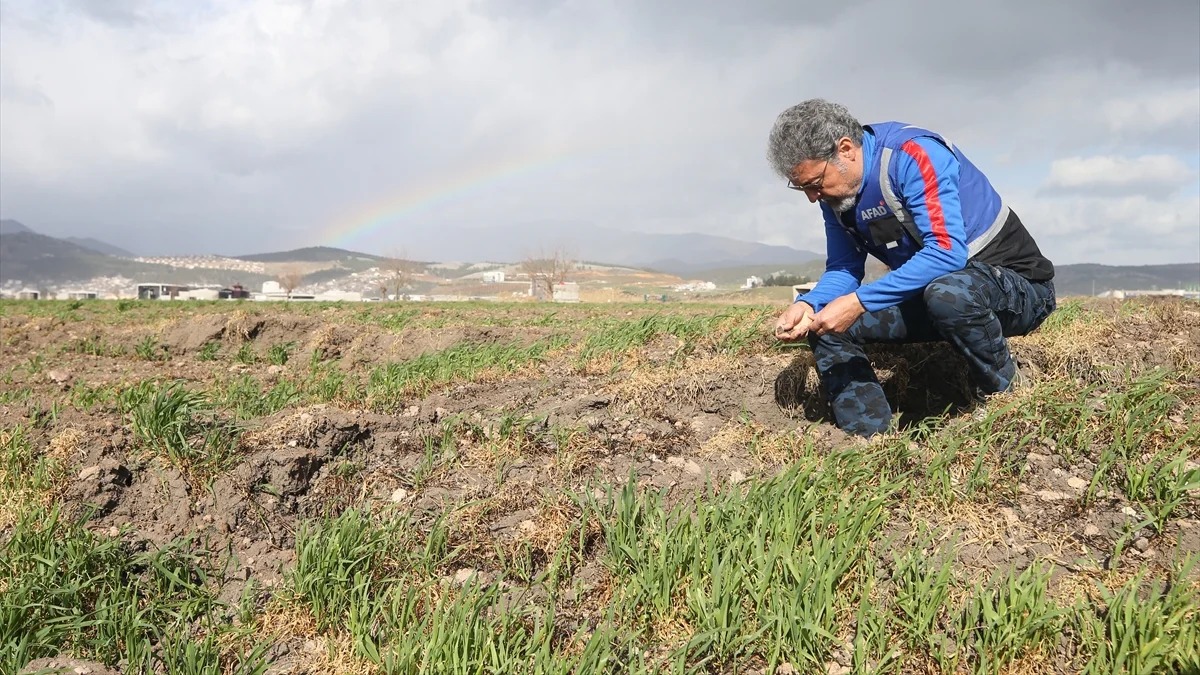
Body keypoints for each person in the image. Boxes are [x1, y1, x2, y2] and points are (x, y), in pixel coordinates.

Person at [767, 99, 1056, 437]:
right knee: (826, 324)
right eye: (802, 188)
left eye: (815, 183)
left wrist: (859, 302)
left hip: (1017, 289)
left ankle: (1006, 397)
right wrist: (810, 305)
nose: (813, 197)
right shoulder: (837, 197)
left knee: (947, 294)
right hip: (936, 297)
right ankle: (870, 440)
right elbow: (845, 268)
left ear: (845, 149)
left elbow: (946, 254)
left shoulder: (912, 155)